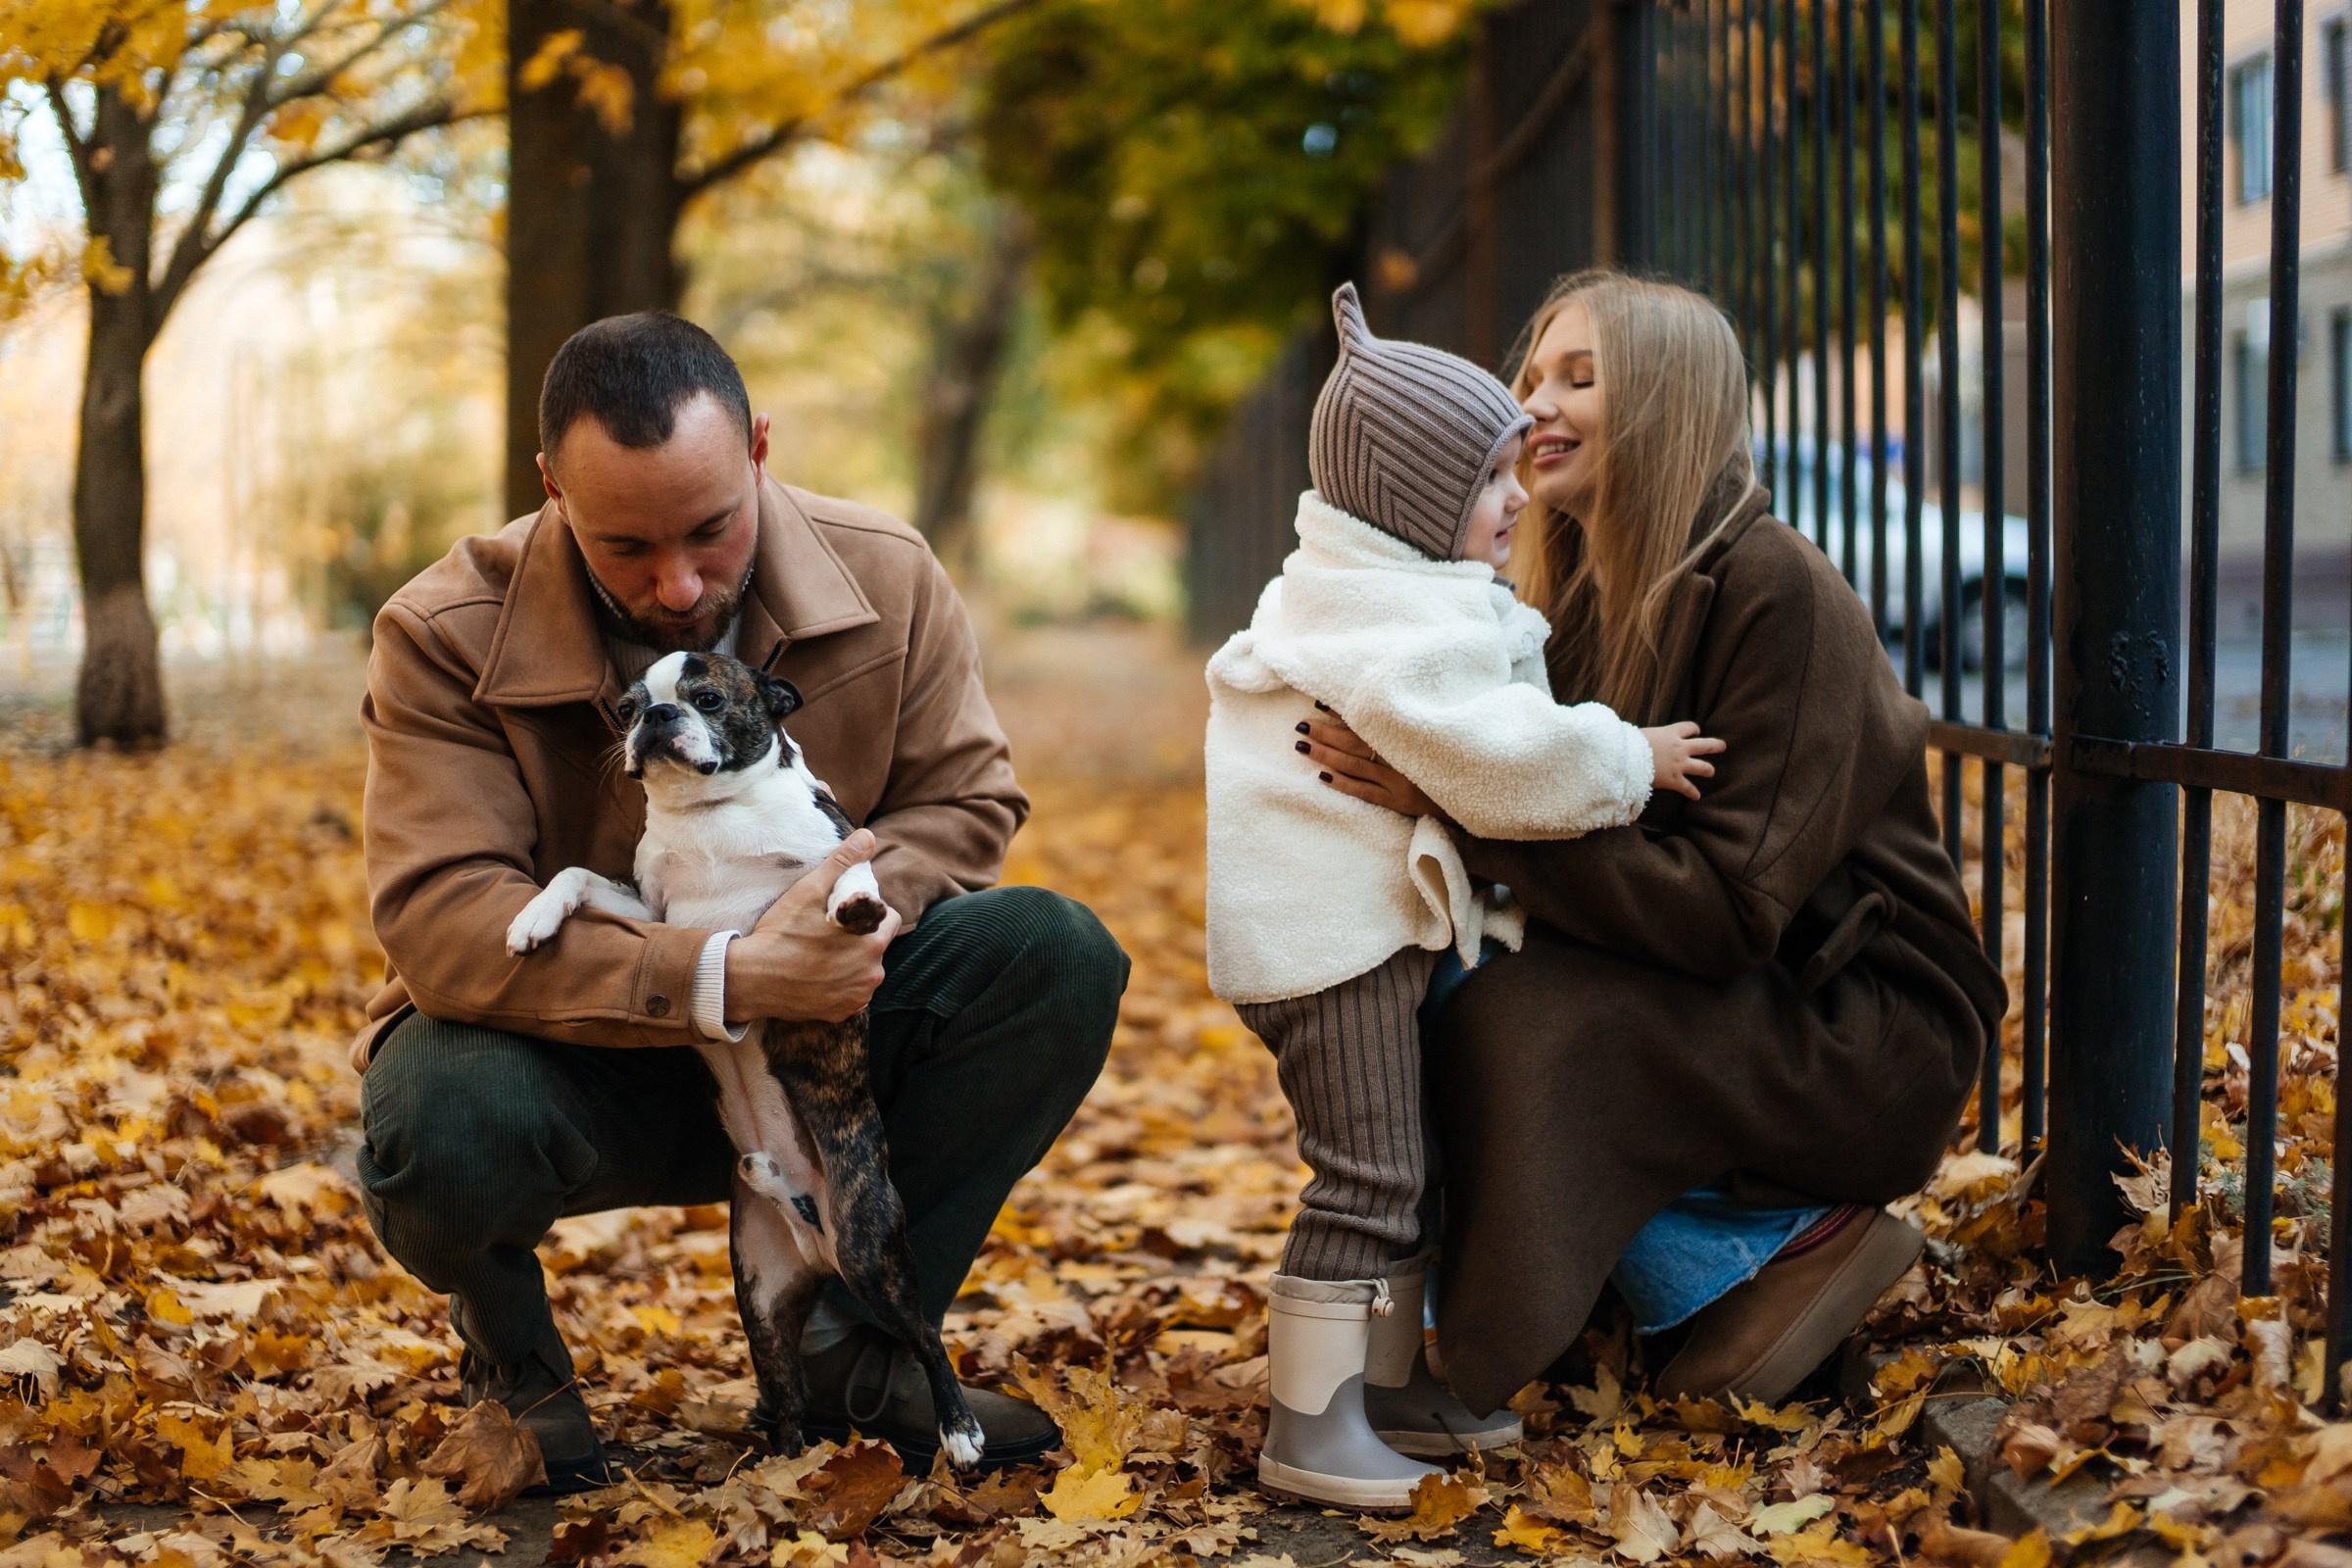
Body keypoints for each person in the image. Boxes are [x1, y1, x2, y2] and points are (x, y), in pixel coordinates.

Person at [352, 313, 1127, 1489]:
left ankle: (849, 1350)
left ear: (759, 446)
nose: (679, 583)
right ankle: (521, 1374)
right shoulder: (440, 629)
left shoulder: (888, 570)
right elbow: (439, 913)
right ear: (552, 489)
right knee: (430, 1109)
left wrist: (829, 928)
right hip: (580, 1059)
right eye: (626, 548)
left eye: (712, 529)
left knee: (1052, 953)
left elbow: (967, 804)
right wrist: (724, 971)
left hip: (826, 1050)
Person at [1294, 270, 2007, 1418]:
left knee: (1514, 1011)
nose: (1536, 404)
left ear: (1669, 404)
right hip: (1727, 989)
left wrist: (1461, 815)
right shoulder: (1563, 585)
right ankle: (1679, 1282)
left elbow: (1728, 911)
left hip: (1861, 1029)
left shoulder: (1780, 590)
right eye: (1533, 376)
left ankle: (1778, 1242)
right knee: (1398, 989)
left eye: (1582, 377)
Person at [1204, 284, 1724, 1508]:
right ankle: (1311, 1423)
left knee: (1412, 1161)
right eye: (1490, 481)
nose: (1516, 499)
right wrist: (1625, 758)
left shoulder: (1377, 592)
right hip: (1327, 948)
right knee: (1369, 1172)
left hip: (1354, 933)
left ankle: (1381, 1389)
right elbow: (1500, 755)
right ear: (1411, 502)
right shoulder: (1387, 623)